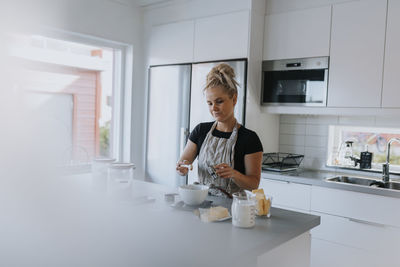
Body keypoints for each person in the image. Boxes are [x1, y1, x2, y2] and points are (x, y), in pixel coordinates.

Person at [176, 63, 263, 196]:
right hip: (202, 201)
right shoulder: (200, 131)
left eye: (219, 101)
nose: (214, 108)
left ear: (234, 99)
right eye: (210, 103)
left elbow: (253, 184)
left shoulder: (249, 138)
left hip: (233, 207)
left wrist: (234, 174)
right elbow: (184, 162)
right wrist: (182, 168)